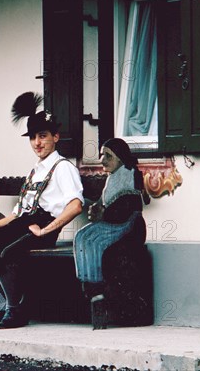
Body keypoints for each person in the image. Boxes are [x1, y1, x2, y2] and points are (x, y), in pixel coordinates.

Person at [0, 92, 84, 329]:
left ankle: (15, 310)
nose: (37, 143)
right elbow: (18, 213)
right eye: (32, 137)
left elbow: (75, 205)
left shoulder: (63, 168)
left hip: (44, 225)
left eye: (43, 136)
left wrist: (45, 231)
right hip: (25, 223)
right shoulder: (35, 170)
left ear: (56, 137)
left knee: (6, 253)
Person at [73, 138, 150, 327]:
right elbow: (104, 203)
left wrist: (104, 213)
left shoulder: (128, 174)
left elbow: (129, 206)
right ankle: (90, 286)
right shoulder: (112, 177)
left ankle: (96, 288)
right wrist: (98, 209)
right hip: (115, 224)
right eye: (101, 155)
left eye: (108, 156)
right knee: (83, 237)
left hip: (129, 228)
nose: (102, 160)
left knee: (94, 241)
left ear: (121, 158)